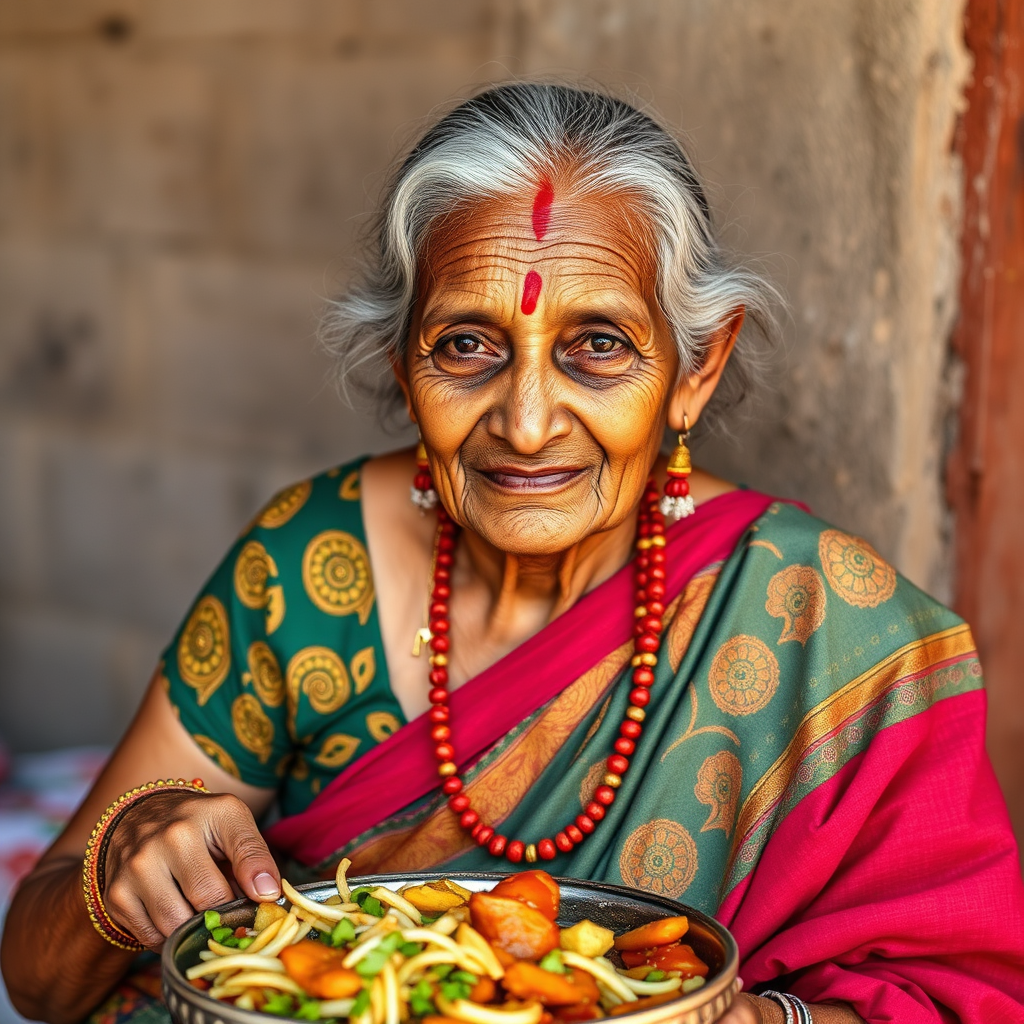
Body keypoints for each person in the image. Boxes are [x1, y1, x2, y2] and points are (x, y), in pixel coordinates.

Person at [3, 82, 1024, 1024]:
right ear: (403, 366)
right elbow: (40, 977)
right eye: (465, 345)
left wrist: (747, 1018)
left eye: (599, 345)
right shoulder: (306, 570)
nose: (528, 422)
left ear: (694, 371)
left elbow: (955, 996)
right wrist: (116, 872)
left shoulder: (823, 618)